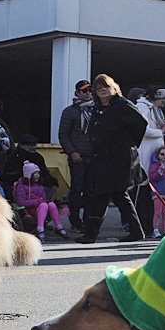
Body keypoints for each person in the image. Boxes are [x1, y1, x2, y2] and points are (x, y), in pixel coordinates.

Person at [75, 73, 147, 244]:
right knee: (103, 195)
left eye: (106, 87)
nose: (103, 91)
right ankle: (92, 234)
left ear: (113, 88)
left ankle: (93, 235)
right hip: (102, 158)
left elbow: (141, 123)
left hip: (119, 158)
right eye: (99, 89)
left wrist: (129, 144)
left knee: (116, 193)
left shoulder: (122, 105)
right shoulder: (98, 108)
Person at [134, 86, 165, 233]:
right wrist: (161, 131)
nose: (163, 103)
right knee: (143, 192)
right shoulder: (142, 107)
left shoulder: (156, 110)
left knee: (154, 196)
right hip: (146, 153)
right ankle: (141, 226)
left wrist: (164, 128)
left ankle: (152, 227)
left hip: (155, 155)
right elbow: (142, 129)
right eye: (162, 100)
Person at [58, 79, 95, 233]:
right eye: (84, 91)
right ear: (77, 93)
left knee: (90, 189)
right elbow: (63, 134)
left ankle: (88, 219)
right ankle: (75, 219)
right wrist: (72, 152)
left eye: (89, 90)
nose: (88, 93)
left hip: (93, 155)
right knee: (77, 188)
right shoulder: (70, 111)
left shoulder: (96, 110)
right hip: (78, 156)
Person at [13, 161, 66, 241]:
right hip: (28, 210)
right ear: (28, 174)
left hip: (40, 209)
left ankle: (59, 226)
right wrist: (37, 202)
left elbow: (43, 198)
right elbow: (21, 201)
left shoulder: (39, 186)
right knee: (44, 205)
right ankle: (40, 229)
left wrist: (42, 201)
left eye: (38, 173)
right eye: (34, 173)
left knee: (51, 204)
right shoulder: (21, 186)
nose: (37, 175)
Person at [1, 133, 58, 202]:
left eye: (34, 145)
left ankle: (46, 204)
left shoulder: (37, 157)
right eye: (30, 145)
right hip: (21, 184)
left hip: (38, 183)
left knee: (52, 186)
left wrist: (44, 180)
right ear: (22, 145)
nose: (33, 147)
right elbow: (8, 175)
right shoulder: (14, 157)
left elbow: (44, 171)